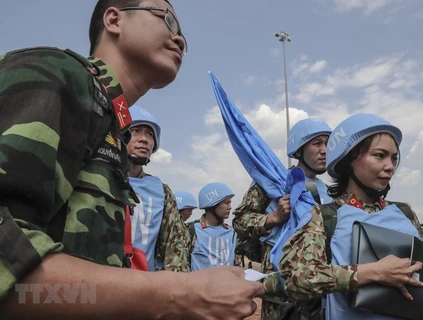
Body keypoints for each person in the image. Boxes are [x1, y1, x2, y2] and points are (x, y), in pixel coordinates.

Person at [0, 1, 264, 319]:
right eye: (166, 19)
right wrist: (175, 295)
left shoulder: (109, 125)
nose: (180, 38)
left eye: (183, 33)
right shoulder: (56, 74)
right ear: (114, 19)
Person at [277, 113, 423, 319]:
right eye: (379, 155)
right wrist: (373, 272)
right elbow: (297, 280)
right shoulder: (323, 217)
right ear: (349, 161)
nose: (390, 166)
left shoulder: (405, 213)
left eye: (394, 158)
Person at [233, 118, 333, 320]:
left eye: (328, 143)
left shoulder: (330, 193)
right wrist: (274, 217)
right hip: (281, 296)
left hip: (319, 293)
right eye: (317, 143)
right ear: (299, 150)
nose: (324, 150)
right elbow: (240, 221)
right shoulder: (273, 184)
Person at [126, 105, 190, 272]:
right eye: (135, 131)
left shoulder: (161, 192)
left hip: (144, 287)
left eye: (149, 134)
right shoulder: (100, 179)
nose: (144, 139)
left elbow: (175, 247)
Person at [190, 182, 237, 271]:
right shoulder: (192, 231)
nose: (230, 207)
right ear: (212, 206)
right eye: (226, 203)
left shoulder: (232, 232)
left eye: (230, 203)